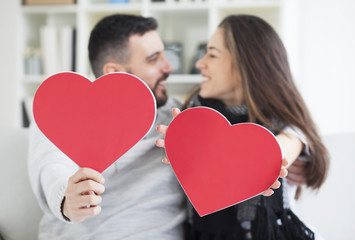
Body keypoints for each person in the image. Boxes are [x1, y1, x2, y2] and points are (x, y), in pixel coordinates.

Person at [28, 14, 302, 239]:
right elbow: (51, 167)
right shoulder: (63, 113)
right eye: (154, 59)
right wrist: (67, 201)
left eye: (165, 55)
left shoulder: (180, 117)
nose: (169, 66)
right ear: (115, 74)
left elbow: (284, 125)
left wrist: (274, 154)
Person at [156, 14, 329, 239]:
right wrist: (184, 143)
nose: (200, 63)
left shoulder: (290, 130)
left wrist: (203, 152)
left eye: (212, 54)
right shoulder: (189, 114)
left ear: (245, 62)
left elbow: (267, 155)